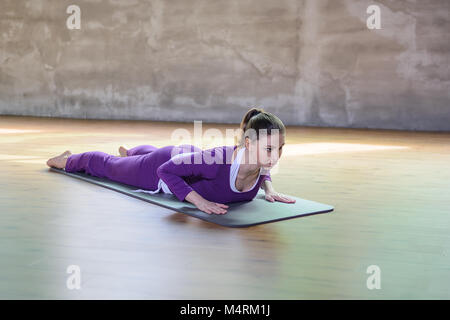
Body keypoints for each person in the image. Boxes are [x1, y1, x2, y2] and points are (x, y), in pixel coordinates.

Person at [46, 107, 296, 215]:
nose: (275, 157)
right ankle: (68, 160)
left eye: (281, 148)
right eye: (270, 149)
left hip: (187, 155)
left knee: (146, 156)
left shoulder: (259, 160)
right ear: (249, 144)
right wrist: (199, 201)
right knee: (110, 167)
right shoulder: (218, 160)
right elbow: (167, 170)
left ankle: (134, 152)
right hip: (162, 167)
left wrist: (269, 189)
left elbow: (262, 171)